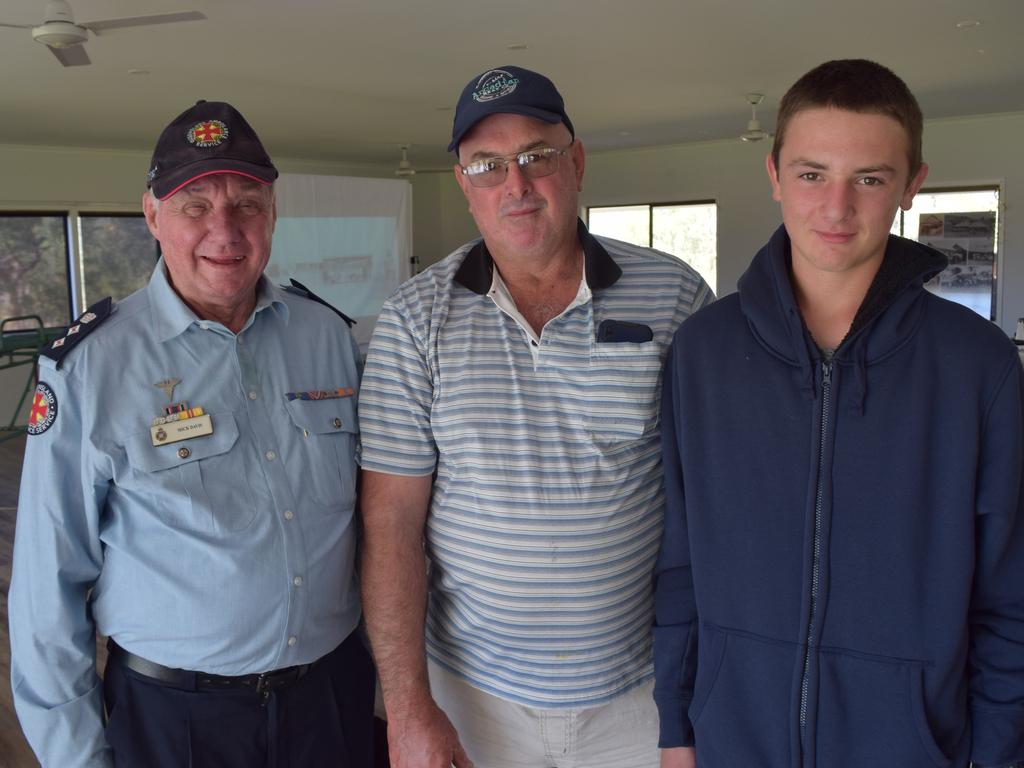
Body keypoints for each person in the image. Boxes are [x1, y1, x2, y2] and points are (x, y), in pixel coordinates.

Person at [654, 59, 1024, 768]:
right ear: (774, 175)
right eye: (812, 173)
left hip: (912, 748)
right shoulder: (703, 351)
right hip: (734, 740)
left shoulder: (978, 365)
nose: (836, 208)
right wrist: (677, 727)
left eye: (871, 179)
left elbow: (1009, 593)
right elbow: (681, 563)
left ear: (912, 185)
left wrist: (1000, 753)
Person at [357, 65, 713, 768]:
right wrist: (407, 708)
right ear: (464, 186)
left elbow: (712, 503)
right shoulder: (412, 320)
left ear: (575, 162)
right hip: (474, 700)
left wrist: (693, 699)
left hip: (637, 698)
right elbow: (391, 523)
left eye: (536, 156)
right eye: (487, 166)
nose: (514, 184)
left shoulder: (674, 295)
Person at [8, 100, 374, 768]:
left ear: (272, 213)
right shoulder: (91, 367)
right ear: (153, 215)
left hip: (331, 702)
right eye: (195, 205)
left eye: (247, 203)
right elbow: (44, 591)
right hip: (176, 720)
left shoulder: (328, 338)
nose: (225, 229)